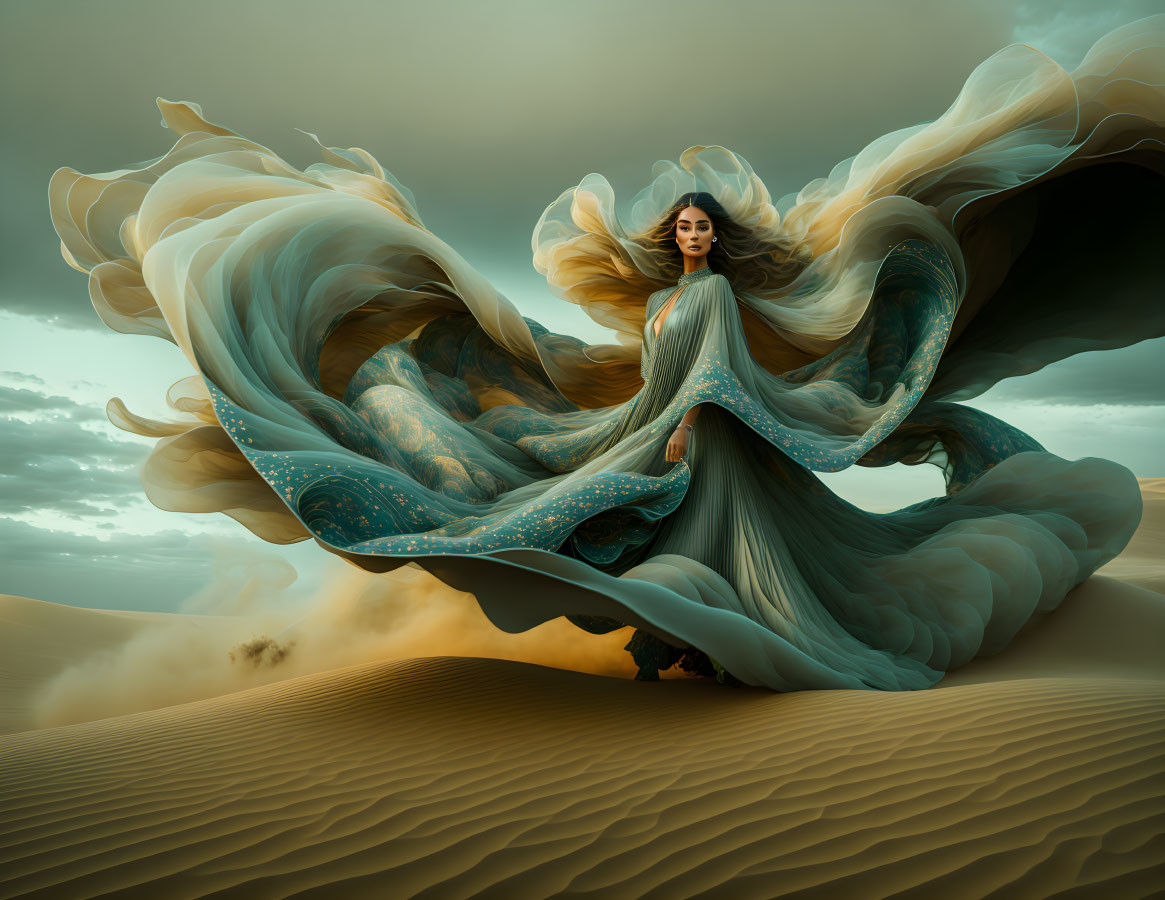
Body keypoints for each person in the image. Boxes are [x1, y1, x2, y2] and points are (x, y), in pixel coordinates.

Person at [48, 16, 1165, 690]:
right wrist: (643, 421)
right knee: (594, 526)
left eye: (699, 227)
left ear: (715, 238)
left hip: (717, 443)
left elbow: (715, 375)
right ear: (665, 238)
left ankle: (718, 661)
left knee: (734, 571)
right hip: (672, 429)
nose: (690, 237)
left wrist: (682, 427)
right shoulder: (668, 300)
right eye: (679, 229)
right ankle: (675, 653)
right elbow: (662, 370)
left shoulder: (717, 295)